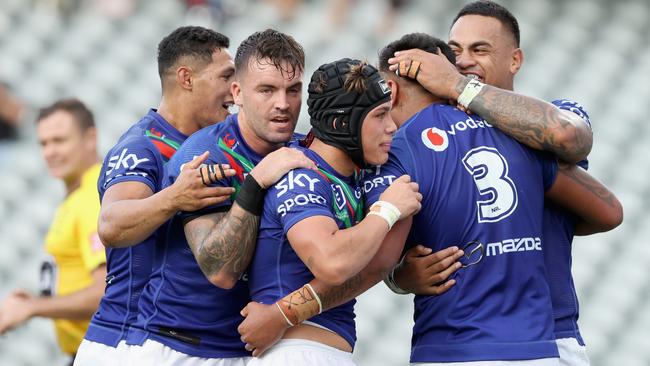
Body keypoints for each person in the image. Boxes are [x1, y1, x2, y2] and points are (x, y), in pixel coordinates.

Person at [239, 33, 623, 365]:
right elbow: (609, 212)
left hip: (451, 345)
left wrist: (397, 275)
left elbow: (371, 265)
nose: (388, 123)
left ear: (394, 89)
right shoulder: (518, 134)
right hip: (541, 343)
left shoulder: (398, 154)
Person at [387, 2, 604, 364]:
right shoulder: (437, 137)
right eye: (455, 52)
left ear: (515, 60)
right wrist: (399, 277)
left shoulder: (548, 118)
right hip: (466, 338)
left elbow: (570, 139)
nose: (465, 60)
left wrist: (459, 86)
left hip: (552, 333)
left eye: (480, 49)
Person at [125, 29, 316, 365]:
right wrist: (256, 183)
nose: (283, 104)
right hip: (181, 347)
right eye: (267, 90)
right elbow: (221, 271)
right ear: (237, 92)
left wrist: (399, 270)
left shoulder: (306, 152)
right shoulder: (205, 154)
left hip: (255, 348)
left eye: (293, 90)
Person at [73, 26, 239, 366]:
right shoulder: (142, 146)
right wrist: (174, 198)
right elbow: (111, 224)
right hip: (125, 342)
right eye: (226, 77)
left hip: (186, 344)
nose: (235, 92)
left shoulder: (216, 147)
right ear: (186, 78)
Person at [245, 58, 421, 365]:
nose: (392, 126)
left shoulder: (351, 178)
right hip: (294, 353)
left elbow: (374, 265)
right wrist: (387, 210)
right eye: (380, 115)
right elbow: (333, 262)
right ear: (342, 124)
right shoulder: (301, 174)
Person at [0, 98, 107, 365]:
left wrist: (33, 307)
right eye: (43, 143)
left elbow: (106, 292)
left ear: (89, 138)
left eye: (59, 140)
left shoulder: (92, 198)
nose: (49, 151)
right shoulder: (77, 195)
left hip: (102, 354)